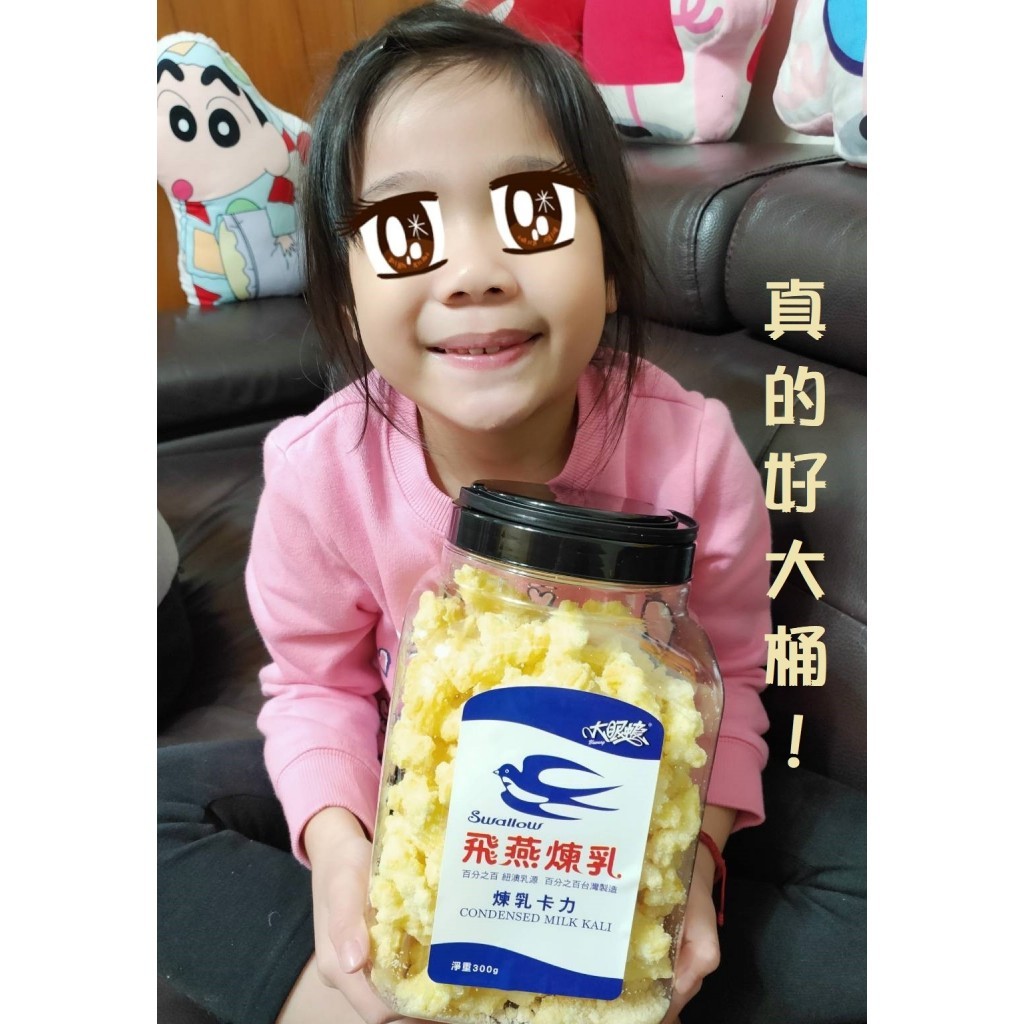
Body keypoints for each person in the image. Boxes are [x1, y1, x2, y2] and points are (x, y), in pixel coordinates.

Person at [158, 5, 778, 1023]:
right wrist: (342, 850)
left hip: (604, 837)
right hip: (420, 806)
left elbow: (735, 676)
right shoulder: (320, 471)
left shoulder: (695, 452)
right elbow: (314, 684)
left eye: (530, 213)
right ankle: (352, 993)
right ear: (347, 295)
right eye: (408, 231)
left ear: (608, 264)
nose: (474, 273)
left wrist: (692, 862)